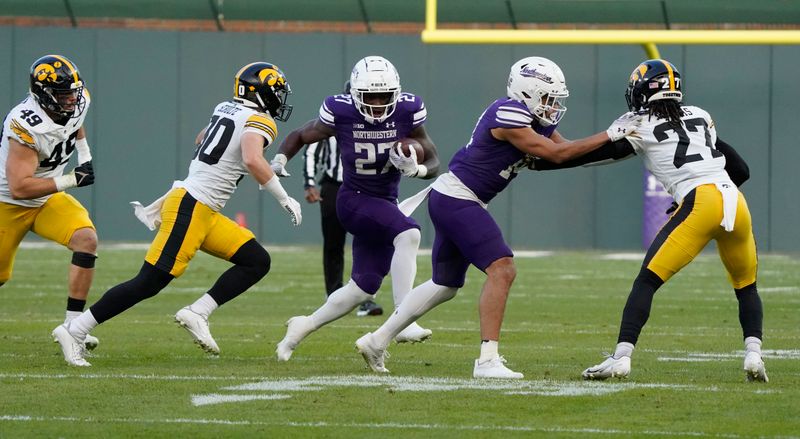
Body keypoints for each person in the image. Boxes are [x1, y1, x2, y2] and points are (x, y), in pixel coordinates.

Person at [354, 56, 643, 379]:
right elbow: (555, 153)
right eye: (547, 98)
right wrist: (610, 133)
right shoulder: (508, 114)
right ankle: (487, 360)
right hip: (458, 199)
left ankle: (376, 340)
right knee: (503, 269)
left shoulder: (532, 118)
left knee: (445, 284)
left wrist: (621, 146)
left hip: (456, 198)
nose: (551, 106)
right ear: (528, 92)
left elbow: (569, 153)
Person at [52, 62, 302, 366]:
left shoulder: (226, 107)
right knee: (148, 282)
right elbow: (250, 157)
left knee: (256, 260)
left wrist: (254, 163)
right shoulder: (261, 119)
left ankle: (197, 312)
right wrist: (283, 197)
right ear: (261, 93)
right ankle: (75, 330)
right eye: (275, 92)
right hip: (193, 206)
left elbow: (203, 140)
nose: (279, 99)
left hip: (202, 208)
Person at [532, 59, 766, 382]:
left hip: (700, 202)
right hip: (735, 203)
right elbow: (741, 169)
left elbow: (589, 156)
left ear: (642, 91)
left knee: (647, 281)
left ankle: (622, 357)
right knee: (746, 286)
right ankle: (754, 356)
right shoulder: (700, 116)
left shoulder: (639, 124)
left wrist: (539, 163)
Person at [273, 55, 440, 362]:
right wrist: (280, 160)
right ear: (354, 95)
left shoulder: (408, 109)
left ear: (396, 94)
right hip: (354, 199)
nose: (377, 103)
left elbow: (434, 162)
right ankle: (404, 319)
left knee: (361, 289)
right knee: (409, 233)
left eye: (384, 96)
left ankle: (301, 327)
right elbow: (300, 134)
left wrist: (415, 170)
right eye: (369, 96)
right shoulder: (342, 112)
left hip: (384, 201)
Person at [0, 54, 100, 350]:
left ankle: (73, 328)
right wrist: (71, 180)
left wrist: (85, 156)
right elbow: (19, 187)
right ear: (43, 95)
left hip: (46, 199)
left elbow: (76, 124)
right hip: (7, 202)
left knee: (86, 239)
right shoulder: (25, 124)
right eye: (63, 94)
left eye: (73, 92)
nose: (72, 99)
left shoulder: (77, 102)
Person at [302, 81, 383, 317]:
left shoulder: (379, 123)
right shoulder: (333, 121)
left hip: (366, 187)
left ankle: (366, 297)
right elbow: (310, 149)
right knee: (334, 244)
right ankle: (334, 295)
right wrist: (309, 183)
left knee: (367, 243)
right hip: (334, 186)